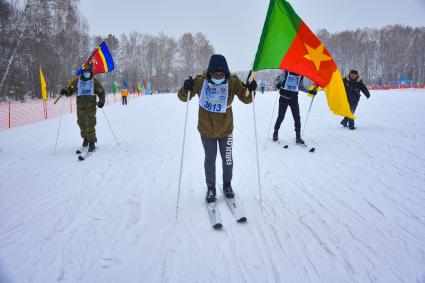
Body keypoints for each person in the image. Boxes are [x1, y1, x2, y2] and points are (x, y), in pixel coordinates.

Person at [177, 54, 257, 203]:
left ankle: (227, 185)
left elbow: (246, 99)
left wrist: (251, 89)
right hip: (206, 130)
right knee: (210, 159)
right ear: (210, 73)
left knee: (227, 159)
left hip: (226, 130)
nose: (218, 76)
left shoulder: (233, 82)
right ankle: (211, 187)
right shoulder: (201, 81)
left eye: (221, 74)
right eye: (215, 73)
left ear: (226, 73)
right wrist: (185, 88)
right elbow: (183, 97)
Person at [60, 65, 105, 152]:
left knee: (90, 123)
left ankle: (92, 142)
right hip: (80, 107)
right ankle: (86, 138)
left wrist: (101, 101)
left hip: (91, 106)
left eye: (88, 72)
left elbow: (101, 91)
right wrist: (66, 91)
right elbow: (70, 90)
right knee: (81, 123)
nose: (86, 74)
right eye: (84, 73)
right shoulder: (78, 81)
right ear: (82, 73)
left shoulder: (94, 82)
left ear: (90, 73)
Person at [272, 70, 317, 143]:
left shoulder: (300, 75)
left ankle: (298, 137)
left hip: (294, 99)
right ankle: (275, 133)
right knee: (281, 116)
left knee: (297, 117)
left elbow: (301, 87)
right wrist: (278, 84)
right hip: (283, 98)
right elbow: (275, 81)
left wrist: (309, 91)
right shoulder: (286, 72)